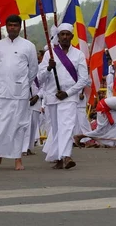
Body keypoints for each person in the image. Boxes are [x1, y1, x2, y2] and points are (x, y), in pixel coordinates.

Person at [0, 15, 38, 171]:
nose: (12, 28)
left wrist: (22, 84)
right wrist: (3, 83)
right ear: (6, 27)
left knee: (18, 125)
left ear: (20, 27)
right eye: (10, 25)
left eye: (15, 25)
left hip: (19, 92)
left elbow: (33, 70)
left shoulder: (28, 46)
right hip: (1, 91)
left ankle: (18, 159)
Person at [39, 23, 88, 170]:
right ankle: (58, 158)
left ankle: (66, 156)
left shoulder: (78, 54)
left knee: (67, 126)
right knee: (56, 128)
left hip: (69, 97)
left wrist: (68, 92)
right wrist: (48, 68)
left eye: (68, 34)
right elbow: (40, 78)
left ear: (72, 37)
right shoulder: (50, 54)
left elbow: (83, 79)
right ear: (58, 37)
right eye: (62, 34)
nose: (65, 37)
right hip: (52, 97)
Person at [23, 50, 45, 155]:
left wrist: (37, 96)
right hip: (25, 100)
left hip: (36, 101)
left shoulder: (40, 70)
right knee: (25, 125)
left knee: (33, 125)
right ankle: (23, 148)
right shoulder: (22, 70)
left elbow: (43, 87)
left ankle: (30, 147)